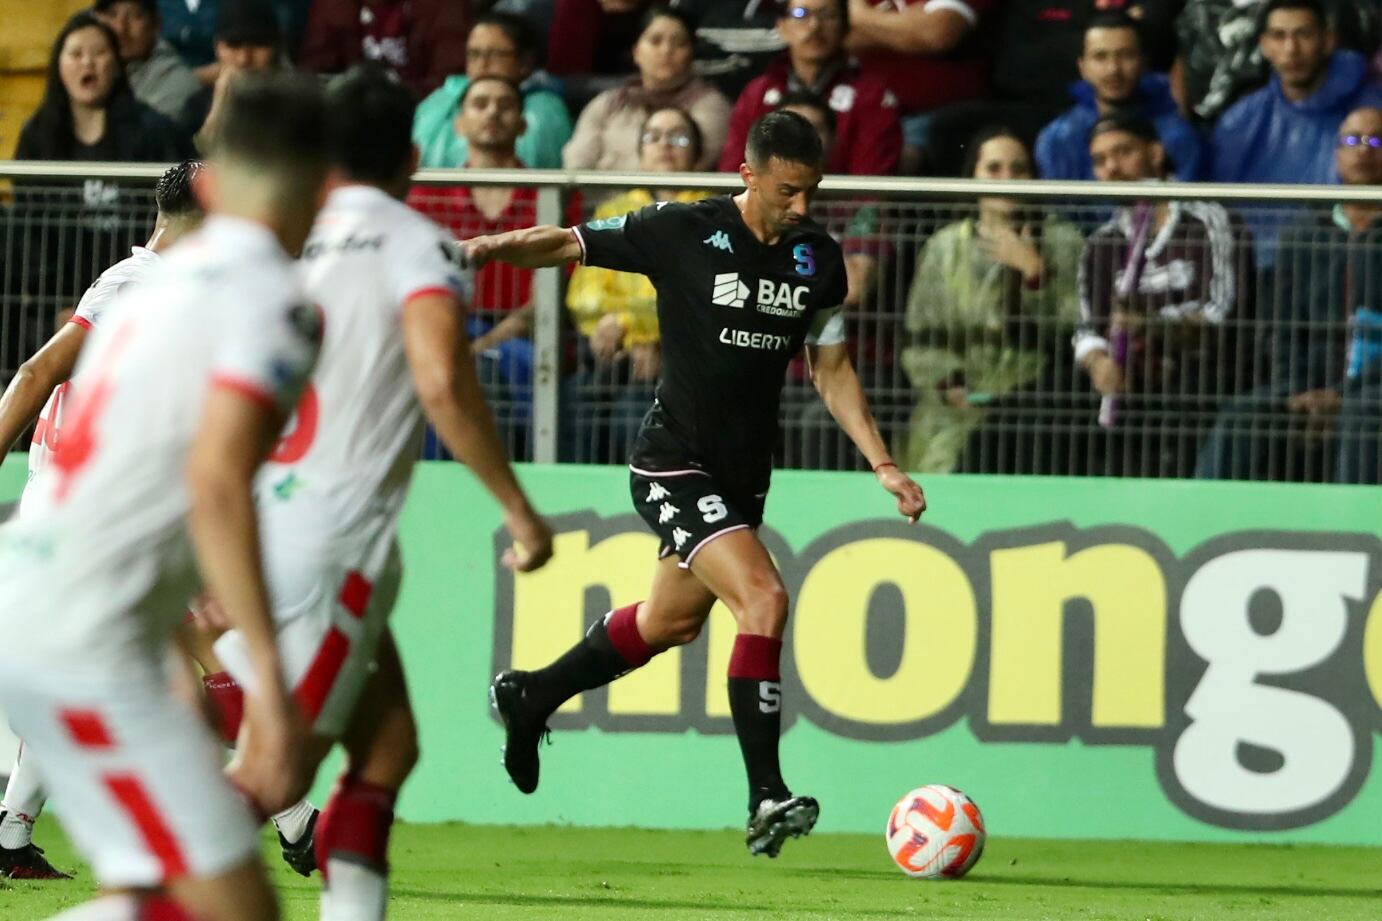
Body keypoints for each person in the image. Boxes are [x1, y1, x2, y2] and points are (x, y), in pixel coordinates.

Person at [470, 110, 926, 856]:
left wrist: (883, 462)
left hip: (743, 475)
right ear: (747, 175)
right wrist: (488, 247)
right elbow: (568, 242)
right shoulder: (681, 229)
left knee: (669, 623)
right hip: (673, 460)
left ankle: (532, 694)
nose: (802, 205)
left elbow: (831, 367)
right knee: (764, 598)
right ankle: (766, 795)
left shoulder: (817, 258)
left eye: (812, 190)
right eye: (787, 190)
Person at [208, 64, 552, 921]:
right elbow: (442, 380)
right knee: (273, 775)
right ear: (413, 156)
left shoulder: (291, 241)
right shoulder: (419, 244)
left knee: (388, 746)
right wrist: (517, 507)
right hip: (332, 542)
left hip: (270, 522)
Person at [0, 71, 332, 921]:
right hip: (85, 598)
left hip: (61, 581)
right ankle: (295, 815)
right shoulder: (262, 303)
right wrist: (268, 674)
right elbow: (216, 480)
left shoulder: (152, 284)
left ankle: (13, 826)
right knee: (224, 898)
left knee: (207, 895)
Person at [1197, 106, 1382, 484]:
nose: (1363, 149)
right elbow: (1281, 325)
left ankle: (1351, 520)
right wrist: (1299, 389)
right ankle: (1200, 515)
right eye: (1352, 140)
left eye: (1376, 140)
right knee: (1242, 417)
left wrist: (1343, 394)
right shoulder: (1304, 232)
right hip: (1306, 381)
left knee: (1361, 417)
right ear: (1337, 153)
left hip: (1372, 387)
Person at [1076, 112, 1254, 478]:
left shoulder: (1207, 219)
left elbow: (1219, 314)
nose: (1111, 168)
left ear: (1155, 153)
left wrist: (1149, 327)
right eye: (1100, 160)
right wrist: (1098, 363)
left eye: (1123, 152)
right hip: (1131, 379)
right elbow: (1086, 329)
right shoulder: (1101, 243)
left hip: (1201, 374)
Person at [901, 127, 1085, 474]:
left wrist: (1034, 274)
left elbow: (1072, 327)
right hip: (954, 408)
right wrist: (947, 383)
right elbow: (921, 335)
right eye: (994, 168)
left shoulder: (1063, 241)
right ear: (973, 176)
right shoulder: (944, 247)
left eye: (1019, 169)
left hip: (1035, 410)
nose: (1007, 179)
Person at [563, 106, 711, 462]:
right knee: (575, 398)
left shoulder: (712, 213)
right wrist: (620, 331)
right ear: (641, 152)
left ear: (697, 154)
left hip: (685, 358)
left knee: (634, 413)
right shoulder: (614, 211)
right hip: (614, 355)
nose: (665, 145)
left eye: (678, 138)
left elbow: (701, 296)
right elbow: (585, 293)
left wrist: (634, 327)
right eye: (653, 137)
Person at [408, 77, 542, 451]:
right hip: (447, 329)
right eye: (480, 104)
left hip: (523, 337)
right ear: (459, 124)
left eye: (504, 105)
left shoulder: (551, 195)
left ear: (522, 125)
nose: (492, 113)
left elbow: (546, 300)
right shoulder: (426, 196)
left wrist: (481, 346)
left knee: (484, 370)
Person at [718, 0, 902, 176]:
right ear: (781, 26)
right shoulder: (756, 93)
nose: (814, 26)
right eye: (801, 14)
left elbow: (869, 186)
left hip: (838, 199)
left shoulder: (873, 96)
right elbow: (732, 174)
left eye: (828, 14)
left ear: (845, 27)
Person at [1036, 10, 1204, 182]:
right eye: (1100, 57)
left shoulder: (1178, 136)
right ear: (1082, 67)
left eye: (1126, 55)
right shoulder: (1058, 139)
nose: (1113, 69)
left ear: (1144, 62)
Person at [562, 6, 730, 173]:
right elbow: (576, 167)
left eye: (678, 43)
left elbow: (697, 168)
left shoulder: (712, 106)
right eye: (655, 41)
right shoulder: (608, 104)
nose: (666, 50)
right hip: (604, 191)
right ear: (636, 52)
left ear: (691, 53)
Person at [843, 0, 996, 174]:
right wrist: (903, 25)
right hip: (857, 111)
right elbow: (831, 38)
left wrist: (859, 16)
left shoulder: (857, 8)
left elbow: (937, 32)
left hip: (933, 118)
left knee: (893, 158)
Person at [14, 11, 186, 162]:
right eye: (76, 54)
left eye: (99, 52)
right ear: (58, 67)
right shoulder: (36, 134)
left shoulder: (153, 131)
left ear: (117, 66)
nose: (88, 62)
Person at [412, 13, 572, 169]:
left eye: (495, 54)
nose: (482, 64)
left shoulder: (544, 108)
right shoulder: (441, 100)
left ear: (525, 62)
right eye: (474, 54)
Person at [297, 0, 473, 98]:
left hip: (421, 118)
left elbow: (450, 82)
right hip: (348, 116)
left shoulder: (446, 6)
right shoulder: (333, 6)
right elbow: (314, 73)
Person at [180, 0, 287, 144]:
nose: (244, 59)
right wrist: (219, 106)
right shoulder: (196, 107)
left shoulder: (301, 105)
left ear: (277, 48)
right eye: (234, 45)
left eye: (258, 44)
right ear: (217, 48)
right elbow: (189, 155)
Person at [95, 0, 203, 132]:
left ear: (156, 23)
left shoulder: (178, 84)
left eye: (134, 16)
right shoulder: (81, 70)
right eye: (112, 15)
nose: (120, 28)